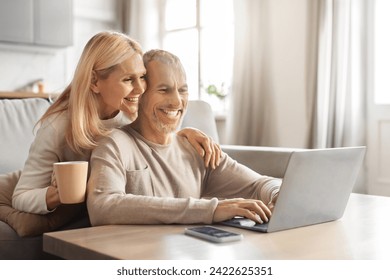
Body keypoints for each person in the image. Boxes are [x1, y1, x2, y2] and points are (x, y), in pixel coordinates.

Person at [12, 31, 220, 215]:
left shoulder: (129, 114)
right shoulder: (57, 128)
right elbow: (22, 195)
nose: (141, 89)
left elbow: (158, 140)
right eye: (128, 80)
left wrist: (184, 135)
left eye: (142, 77)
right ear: (95, 82)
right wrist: (56, 195)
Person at [87, 49, 281, 226]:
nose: (177, 101)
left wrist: (278, 195)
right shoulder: (114, 143)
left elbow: (259, 184)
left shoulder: (197, 149)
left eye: (182, 90)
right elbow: (103, 207)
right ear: (140, 93)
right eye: (164, 90)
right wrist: (211, 209)